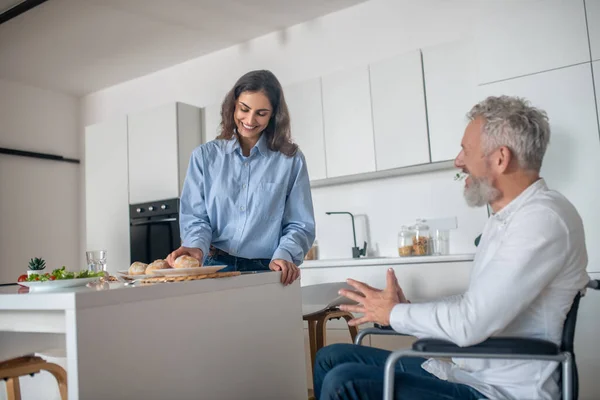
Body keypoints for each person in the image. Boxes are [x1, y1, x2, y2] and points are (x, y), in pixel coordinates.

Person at [313, 96, 589, 399]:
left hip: (502, 392)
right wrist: (403, 310)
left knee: (345, 381)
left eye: (466, 150)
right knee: (332, 357)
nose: (458, 161)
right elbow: (475, 305)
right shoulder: (506, 220)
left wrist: (395, 313)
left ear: (500, 158)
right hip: (469, 375)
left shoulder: (542, 219)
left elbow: (471, 322)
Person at [166, 70, 316, 285]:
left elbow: (300, 224)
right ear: (233, 105)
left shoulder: (290, 160)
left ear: (274, 114)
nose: (250, 120)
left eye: (261, 113)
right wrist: (195, 246)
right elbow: (196, 217)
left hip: (269, 269)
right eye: (244, 109)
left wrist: (285, 254)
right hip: (214, 266)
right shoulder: (204, 157)